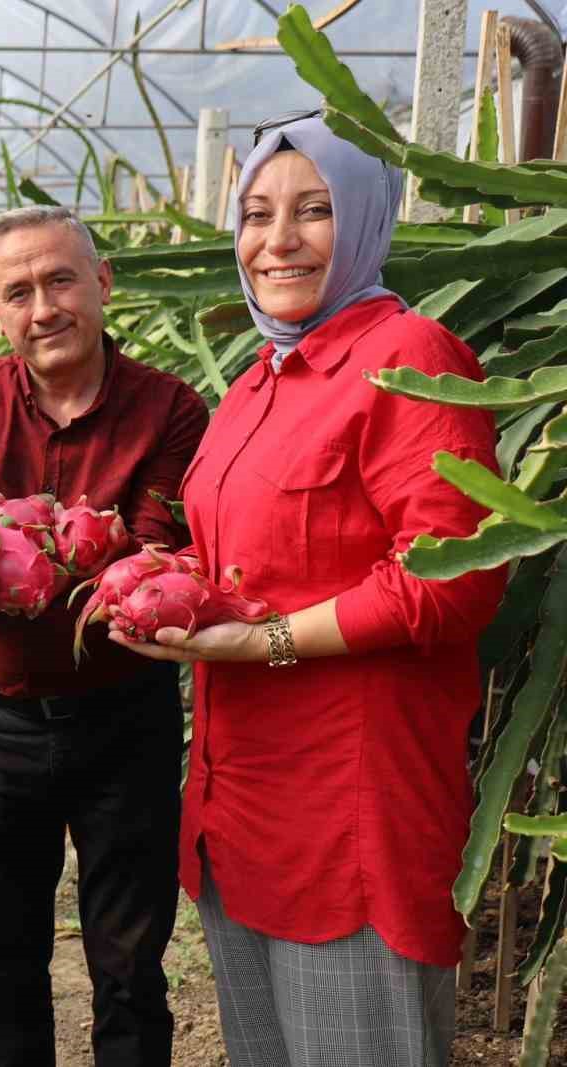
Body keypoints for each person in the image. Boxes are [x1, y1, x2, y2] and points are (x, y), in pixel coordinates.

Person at [112, 114, 506, 1067]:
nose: (276, 239)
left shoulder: (411, 357)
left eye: (314, 209)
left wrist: (264, 642)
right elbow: (242, 554)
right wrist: (158, 580)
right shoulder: (258, 379)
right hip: (238, 807)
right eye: (255, 213)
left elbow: (448, 579)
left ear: (367, 220)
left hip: (347, 813)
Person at [0, 204, 210, 1067]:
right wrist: (76, 542)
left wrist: (6, 541)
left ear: (101, 283)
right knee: (5, 960)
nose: (42, 307)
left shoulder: (172, 408)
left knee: (131, 965)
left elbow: (152, 565)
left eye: (59, 280)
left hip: (127, 720)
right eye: (18, 291)